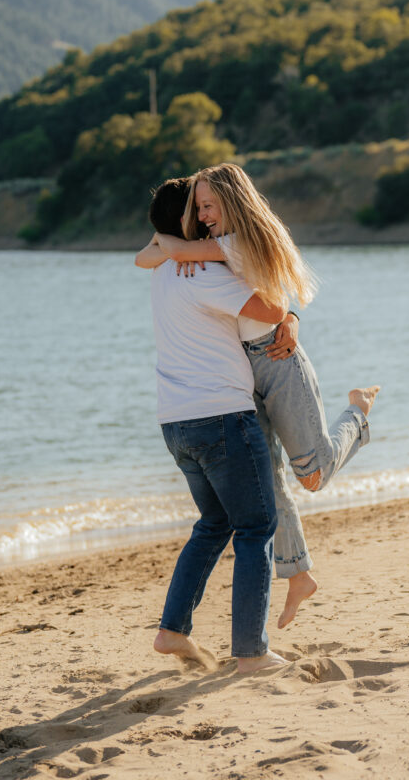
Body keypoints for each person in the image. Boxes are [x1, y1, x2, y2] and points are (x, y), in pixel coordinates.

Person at [136, 162, 379, 629]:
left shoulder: (232, 243)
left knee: (313, 474)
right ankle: (299, 575)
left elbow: (157, 252)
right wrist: (175, 252)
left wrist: (174, 249)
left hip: (277, 359)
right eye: (198, 207)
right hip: (242, 368)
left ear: (232, 200)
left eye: (209, 205)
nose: (204, 214)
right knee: (267, 481)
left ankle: (359, 412)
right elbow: (150, 257)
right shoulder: (209, 250)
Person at [142, 176, 289, 674]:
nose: (205, 219)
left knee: (213, 525)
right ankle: (251, 652)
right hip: (222, 417)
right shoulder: (202, 269)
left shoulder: (164, 272)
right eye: (197, 211)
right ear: (184, 222)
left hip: (175, 423)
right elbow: (270, 311)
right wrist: (288, 312)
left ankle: (171, 630)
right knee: (255, 528)